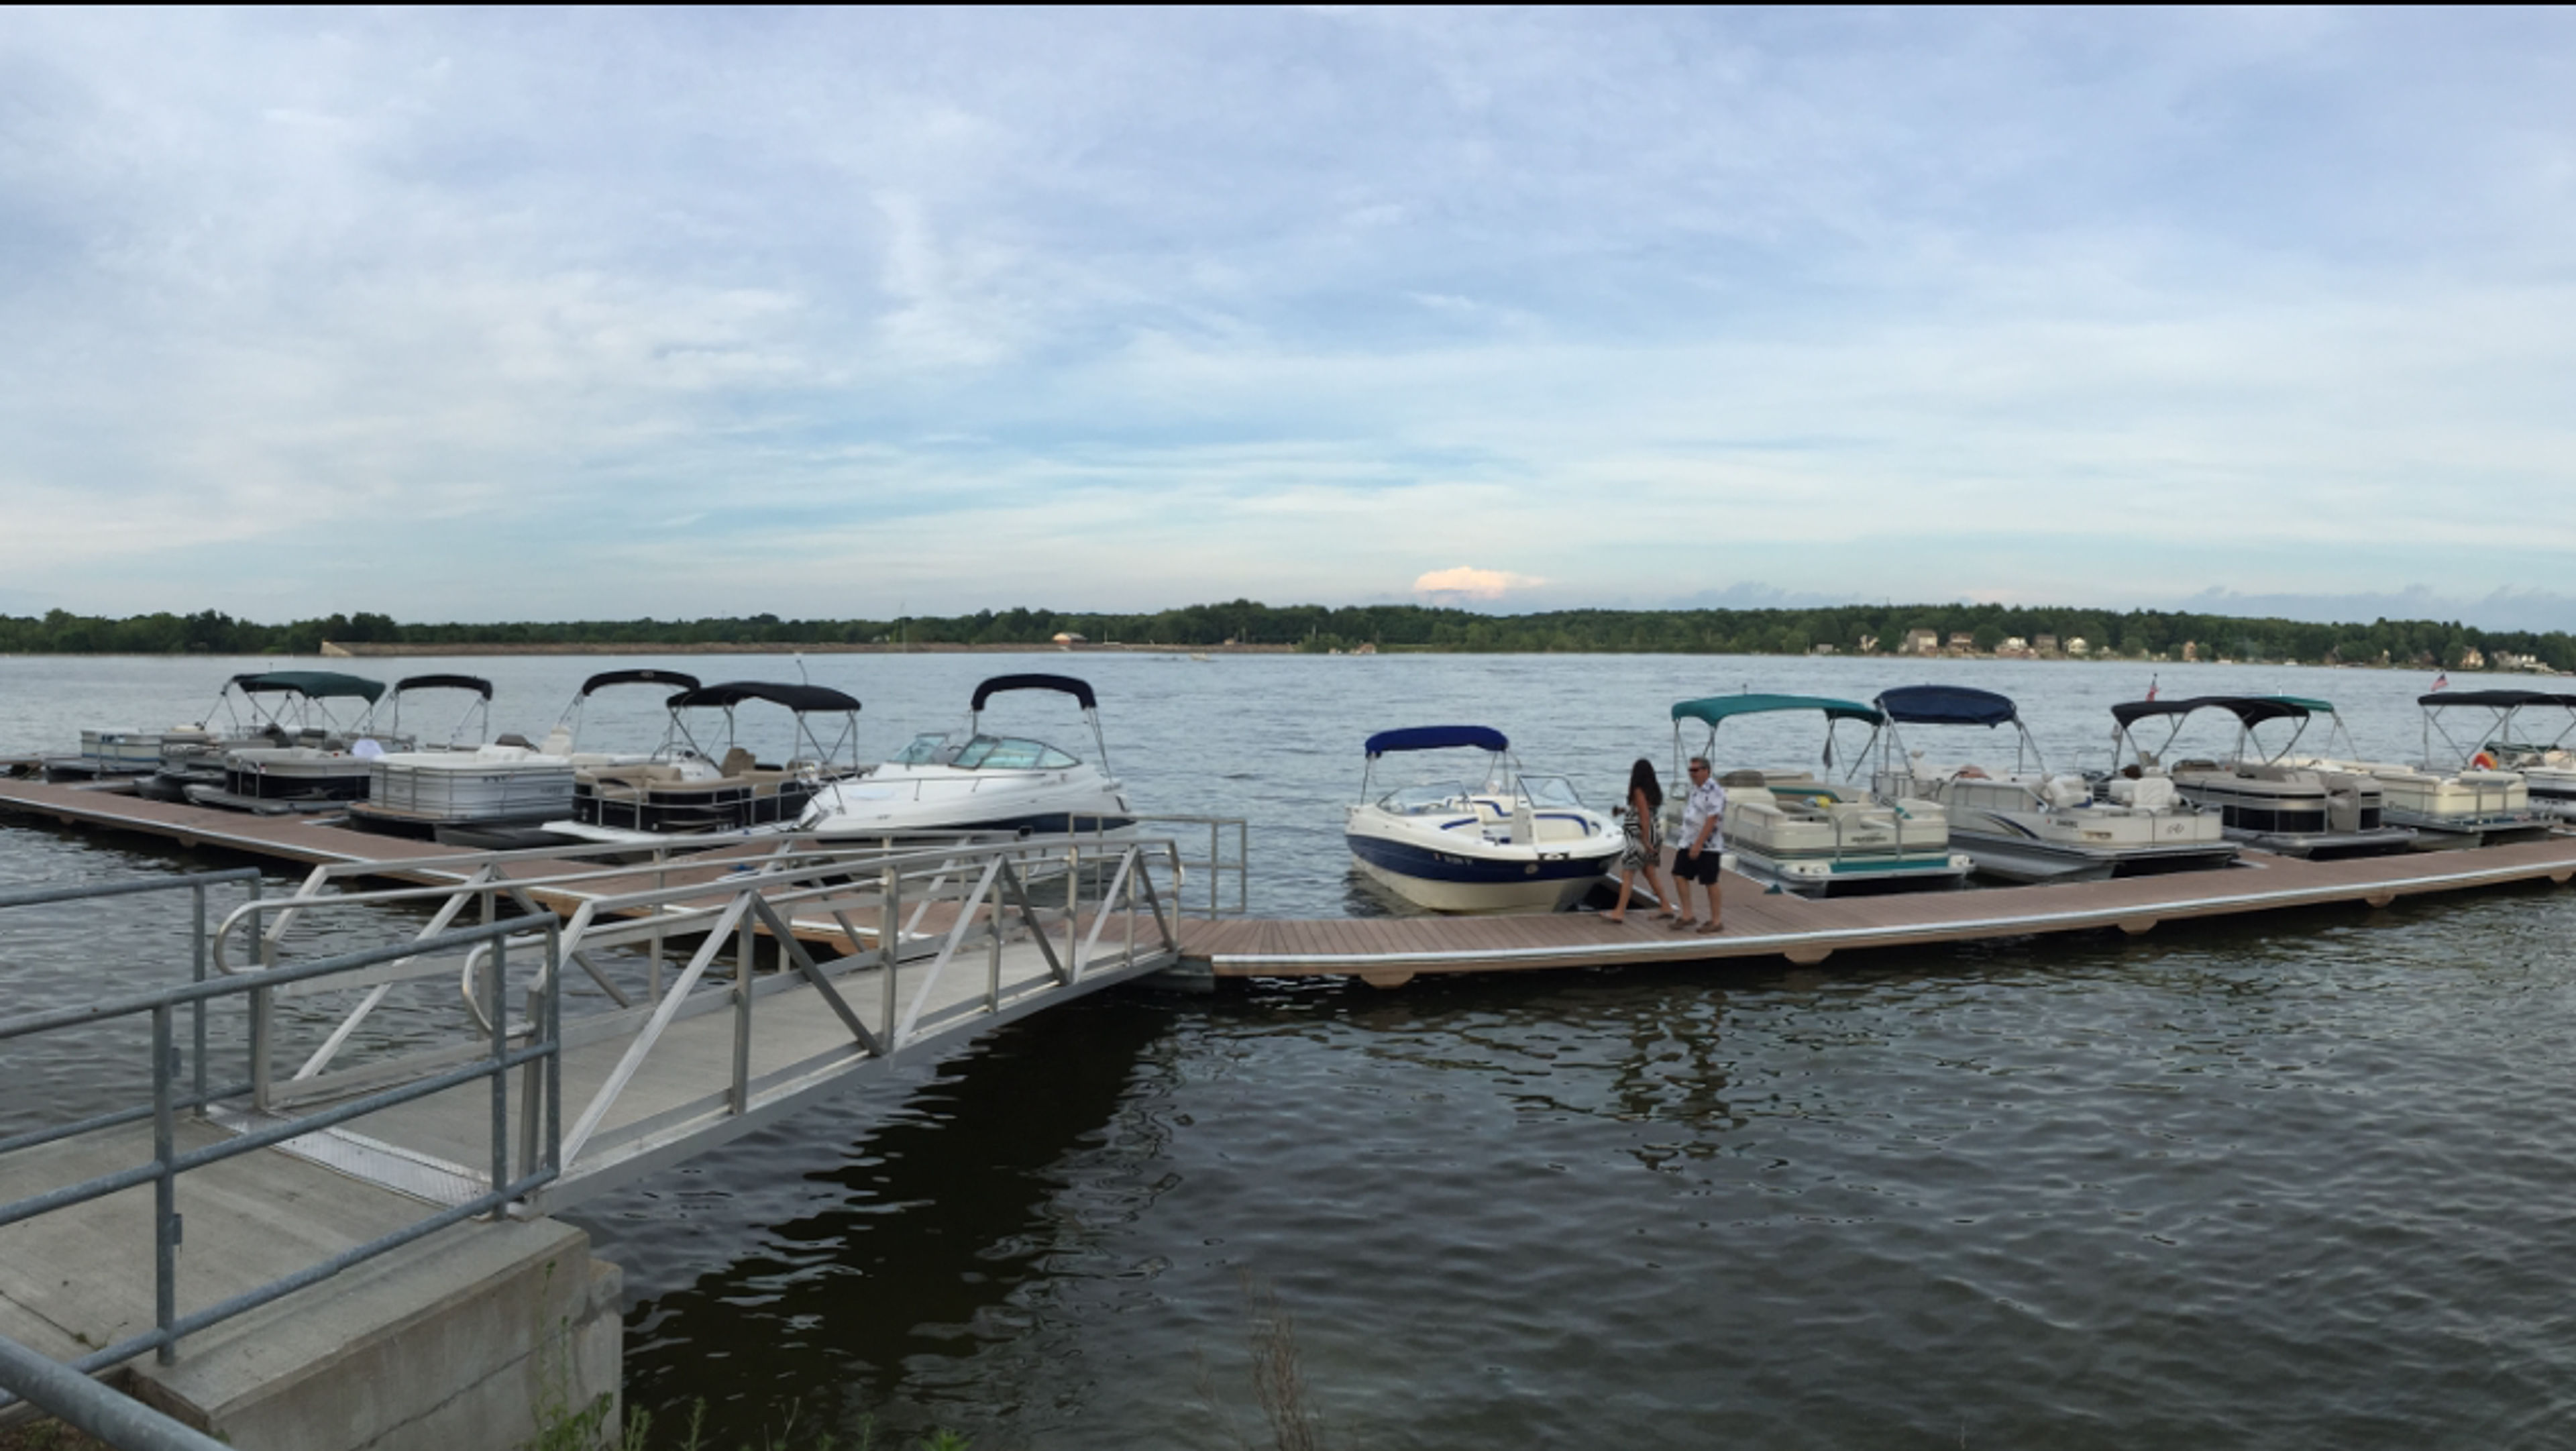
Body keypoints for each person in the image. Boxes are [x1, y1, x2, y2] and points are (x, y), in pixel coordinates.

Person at [1603, 758, 1674, 924]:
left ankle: (1619, 912)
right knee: (1649, 872)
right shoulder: (1653, 792)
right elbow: (1643, 810)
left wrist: (1645, 841)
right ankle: (1666, 905)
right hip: (1655, 833)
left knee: (1627, 873)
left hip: (1640, 836)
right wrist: (1621, 811)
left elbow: (1644, 816)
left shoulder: (1639, 790)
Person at [1673, 755, 1727, 931]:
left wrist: (1699, 844)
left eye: (1696, 770)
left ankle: (1716, 920)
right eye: (1691, 770)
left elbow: (1712, 819)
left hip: (1708, 845)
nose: (1692, 774)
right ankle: (1687, 914)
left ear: (1706, 771)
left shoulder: (1714, 790)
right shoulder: (1696, 789)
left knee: (1710, 881)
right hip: (1687, 840)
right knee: (1679, 874)